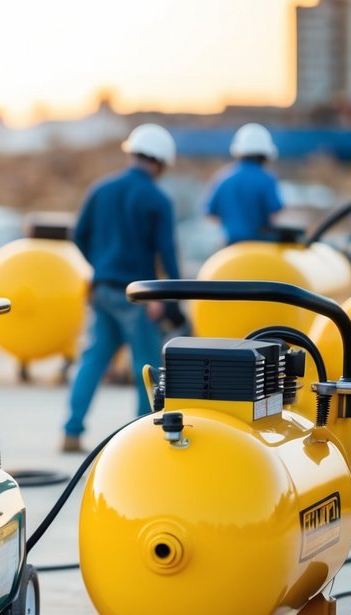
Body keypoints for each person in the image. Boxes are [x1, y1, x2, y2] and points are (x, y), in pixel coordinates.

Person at [62, 124, 181, 453]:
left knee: (94, 359)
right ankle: (144, 440)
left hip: (102, 289)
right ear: (161, 161)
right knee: (146, 366)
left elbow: (79, 234)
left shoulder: (101, 189)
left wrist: (101, 266)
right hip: (140, 296)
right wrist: (169, 299)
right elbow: (168, 255)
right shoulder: (157, 199)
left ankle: (71, 431)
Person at [203, 123, 284, 244]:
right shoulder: (267, 179)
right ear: (266, 155)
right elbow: (276, 211)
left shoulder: (223, 178)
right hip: (260, 247)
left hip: (231, 248)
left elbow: (211, 213)